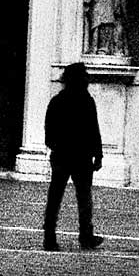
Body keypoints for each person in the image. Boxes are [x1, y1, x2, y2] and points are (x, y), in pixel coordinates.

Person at [42, 61, 104, 250]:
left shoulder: (57, 101)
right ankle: (85, 236)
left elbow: (49, 132)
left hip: (62, 156)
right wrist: (98, 154)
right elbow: (94, 130)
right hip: (81, 157)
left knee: (55, 196)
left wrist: (57, 147)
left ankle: (49, 236)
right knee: (84, 198)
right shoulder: (87, 101)